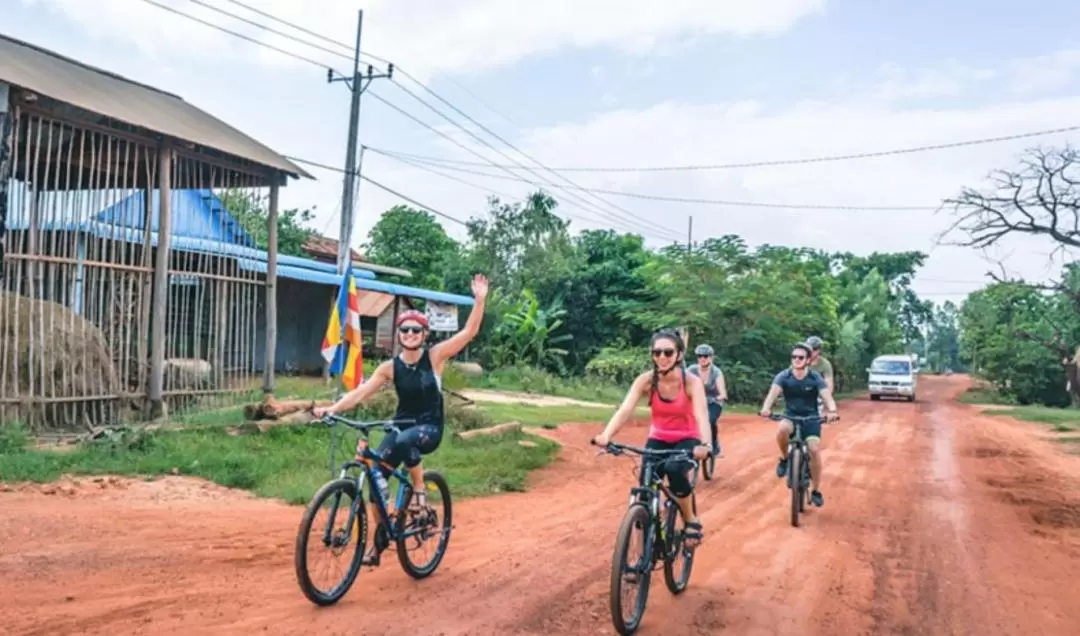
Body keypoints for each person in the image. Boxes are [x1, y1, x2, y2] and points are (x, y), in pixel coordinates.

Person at [315, 274, 489, 517]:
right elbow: (360, 393)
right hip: (400, 428)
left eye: (416, 329)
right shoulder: (389, 368)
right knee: (376, 480)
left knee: (406, 440)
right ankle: (379, 542)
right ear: (398, 334)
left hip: (429, 427)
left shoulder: (435, 356)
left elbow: (469, 332)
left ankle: (419, 486)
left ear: (424, 334)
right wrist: (332, 409)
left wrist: (479, 300)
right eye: (405, 329)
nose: (410, 333)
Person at [593, 329, 713, 547]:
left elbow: (701, 415)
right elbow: (624, 410)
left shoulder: (691, 382)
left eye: (668, 352)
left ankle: (690, 520)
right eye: (657, 353)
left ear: (679, 354)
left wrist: (705, 444)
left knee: (675, 471)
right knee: (645, 493)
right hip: (657, 439)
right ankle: (639, 555)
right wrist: (606, 435)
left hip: (686, 438)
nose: (662, 358)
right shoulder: (646, 381)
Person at [758, 342, 839, 508]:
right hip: (790, 416)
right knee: (782, 429)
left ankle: (815, 490)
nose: (796, 360)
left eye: (800, 357)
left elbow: (826, 396)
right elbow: (772, 394)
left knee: (814, 450)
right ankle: (785, 459)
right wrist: (766, 408)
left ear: (808, 360)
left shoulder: (815, 377)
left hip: (811, 419)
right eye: (794, 357)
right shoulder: (784, 376)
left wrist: (832, 410)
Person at [688, 344, 727, 455]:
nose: (702, 359)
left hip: (713, 402)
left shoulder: (716, 372)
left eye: (706, 356)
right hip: (696, 401)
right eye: (700, 356)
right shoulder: (691, 370)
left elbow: (722, 392)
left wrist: (720, 396)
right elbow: (683, 384)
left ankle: (714, 443)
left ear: (711, 357)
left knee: (710, 420)